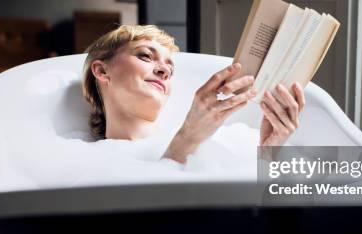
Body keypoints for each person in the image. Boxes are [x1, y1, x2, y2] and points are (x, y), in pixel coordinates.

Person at [81, 24, 305, 163]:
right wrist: (186, 141)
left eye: (170, 68)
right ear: (102, 70)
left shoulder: (220, 142)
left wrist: (269, 154)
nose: (164, 70)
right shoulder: (88, 162)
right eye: (145, 56)